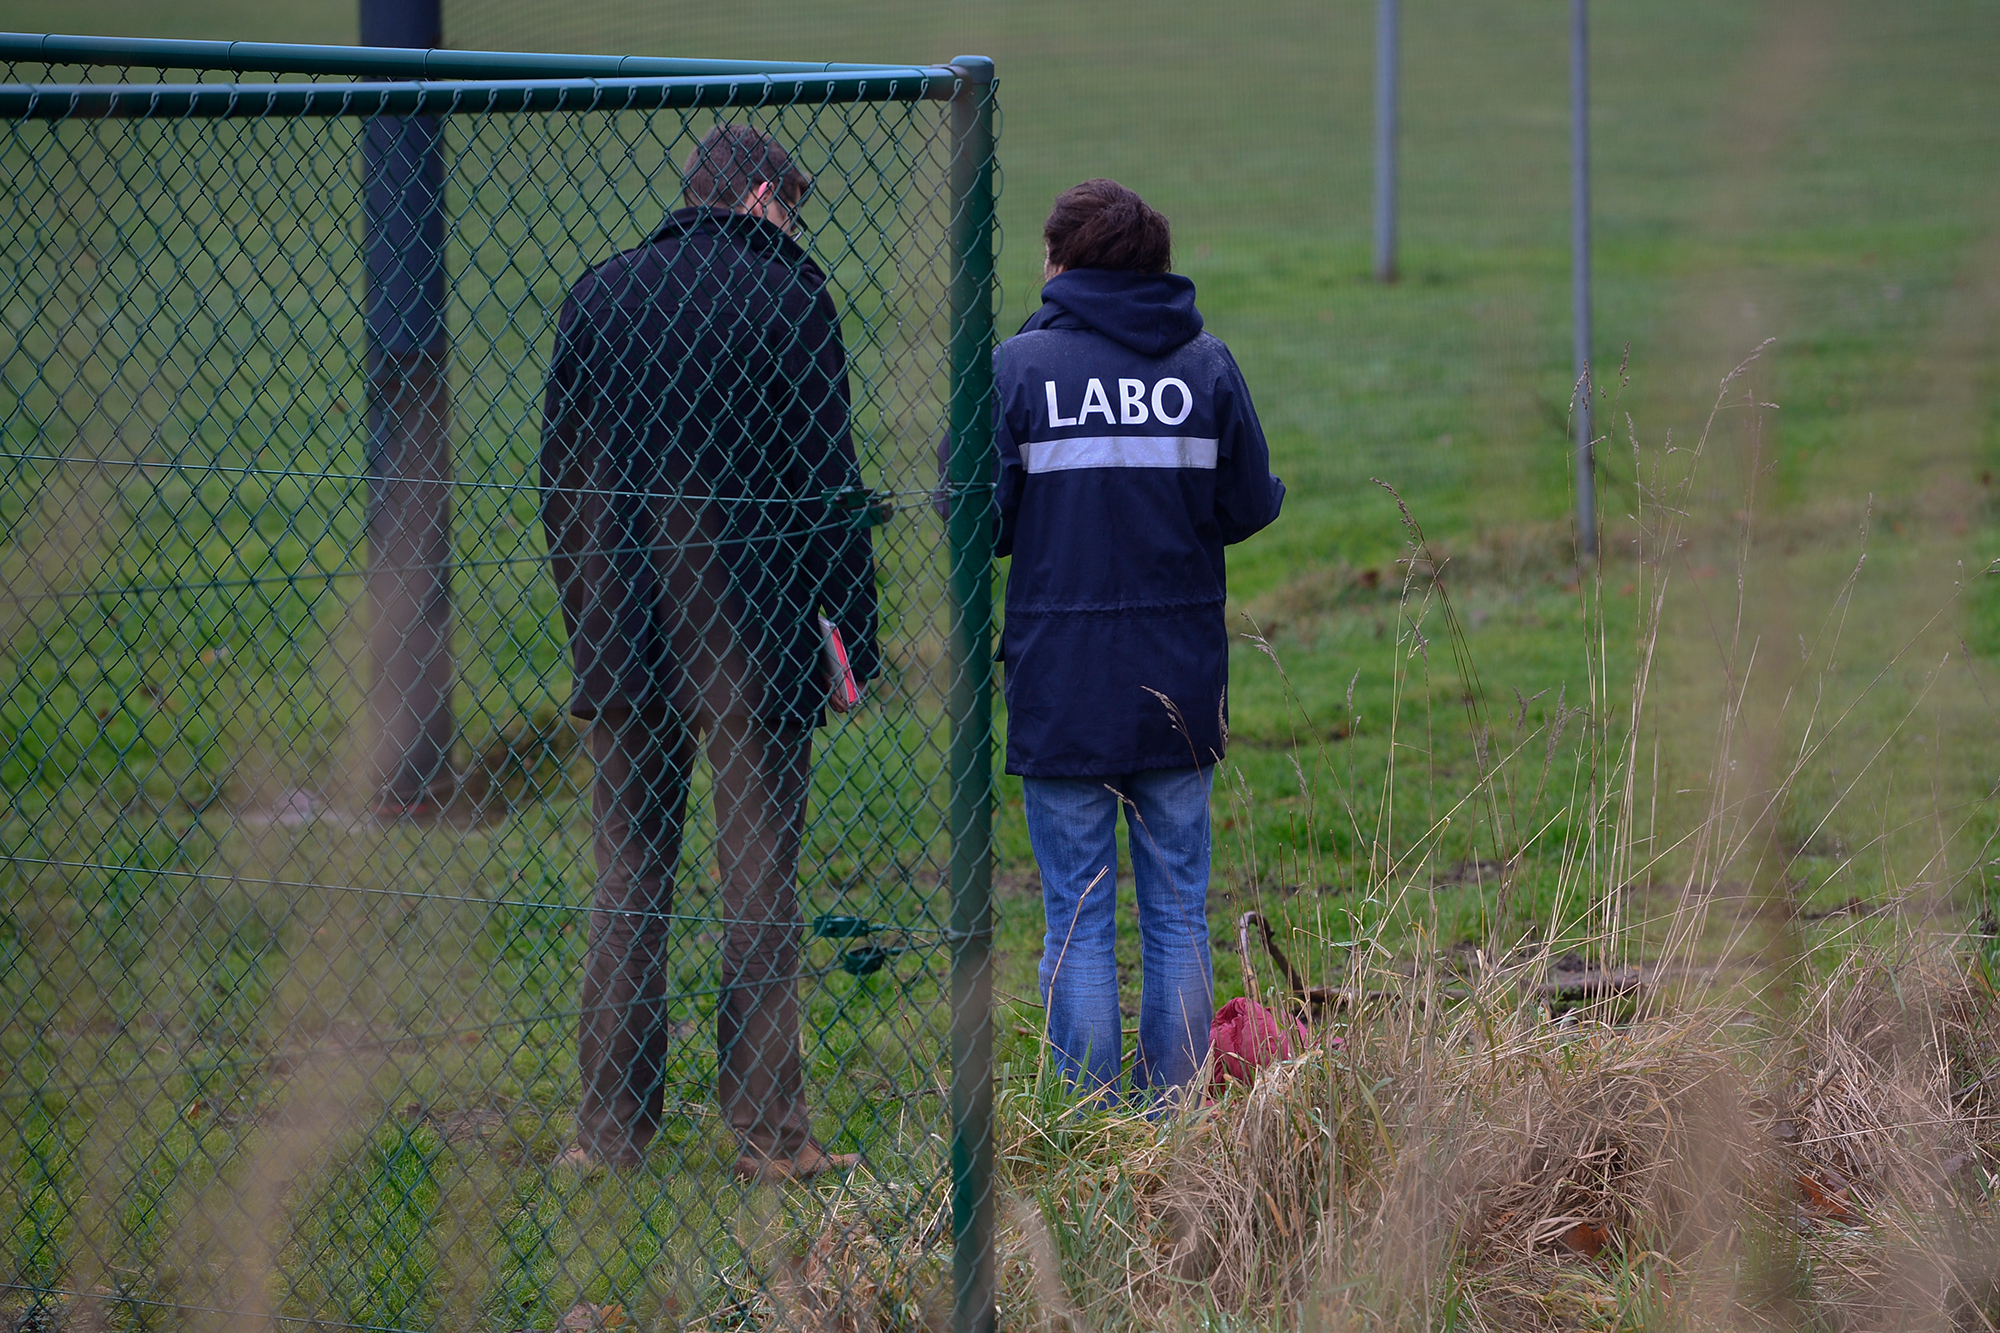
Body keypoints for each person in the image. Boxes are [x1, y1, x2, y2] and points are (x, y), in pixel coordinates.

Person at [539, 124, 880, 1179]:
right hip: (762, 644)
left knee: (629, 879)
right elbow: (831, 490)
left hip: (627, 638)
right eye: (793, 210)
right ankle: (770, 1135)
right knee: (759, 885)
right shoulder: (791, 299)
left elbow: (561, 487)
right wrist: (850, 640)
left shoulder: (598, 295)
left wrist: (592, 611)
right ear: (764, 196)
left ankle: (608, 1134)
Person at [994, 179, 1285, 1101]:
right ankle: (1177, 1125)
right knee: (1175, 913)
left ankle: (1089, 1132)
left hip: (1061, 683)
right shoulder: (1207, 366)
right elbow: (1247, 505)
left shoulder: (1017, 370)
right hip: (1181, 682)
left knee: (1077, 917)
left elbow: (985, 521)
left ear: (1064, 262)